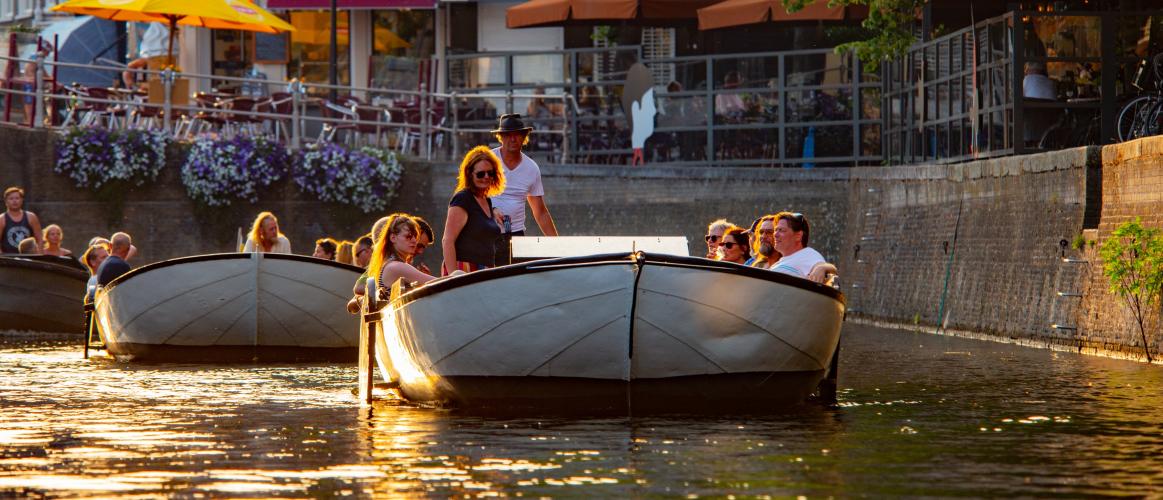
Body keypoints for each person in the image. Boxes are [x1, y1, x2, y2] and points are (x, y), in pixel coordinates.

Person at [490, 114, 559, 266]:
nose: (513, 139)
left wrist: (557, 246)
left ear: (524, 137)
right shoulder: (488, 160)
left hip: (515, 235)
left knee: (514, 281)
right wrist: (491, 209)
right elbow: (470, 195)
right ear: (501, 137)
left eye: (517, 135)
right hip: (486, 233)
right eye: (508, 135)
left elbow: (540, 211)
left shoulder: (531, 168)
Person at [444, 146, 505, 275]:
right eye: (480, 173)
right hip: (464, 270)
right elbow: (448, 240)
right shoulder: (463, 198)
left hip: (484, 270)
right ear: (469, 174)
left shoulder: (486, 200)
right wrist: (452, 276)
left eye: (491, 173)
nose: (486, 177)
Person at [367, 215, 435, 292]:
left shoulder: (391, 263)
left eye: (415, 236)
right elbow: (440, 283)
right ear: (393, 238)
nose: (414, 241)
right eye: (408, 236)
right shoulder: (395, 266)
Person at [769, 212, 835, 284]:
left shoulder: (808, 254)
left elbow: (829, 269)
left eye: (781, 230)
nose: (775, 234)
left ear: (798, 236)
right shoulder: (779, 262)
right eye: (776, 230)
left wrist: (821, 268)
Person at [1, 187, 42, 254]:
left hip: (29, 259)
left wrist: (40, 257)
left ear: (22, 200)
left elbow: (39, 239)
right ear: (6, 201)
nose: (14, 201)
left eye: (17, 198)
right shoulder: (1, 219)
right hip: (8, 259)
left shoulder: (31, 217)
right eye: (11, 198)